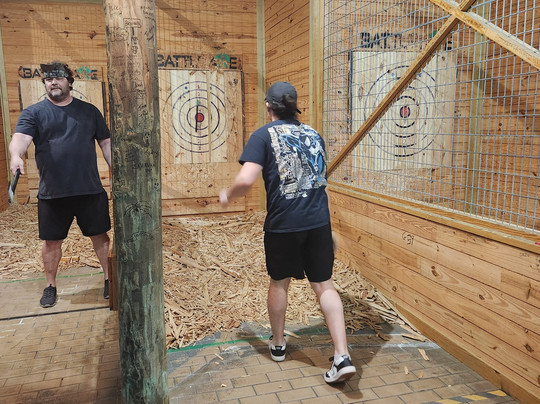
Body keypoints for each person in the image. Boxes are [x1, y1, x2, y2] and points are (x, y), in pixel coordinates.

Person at [219, 81, 356, 384]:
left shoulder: (262, 135)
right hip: (318, 222)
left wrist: (228, 194)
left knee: (279, 282)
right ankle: (342, 356)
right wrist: (327, 229)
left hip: (284, 225)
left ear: (268, 106)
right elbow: (319, 181)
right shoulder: (313, 134)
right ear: (295, 107)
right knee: (325, 285)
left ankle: (279, 344)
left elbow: (246, 180)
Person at [9, 61, 112, 308]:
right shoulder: (34, 113)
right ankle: (50, 286)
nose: (53, 82)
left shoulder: (89, 111)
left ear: (69, 81)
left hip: (89, 189)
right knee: (51, 242)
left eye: (58, 78)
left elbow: (106, 142)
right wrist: (15, 155)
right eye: (48, 79)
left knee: (100, 236)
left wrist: (116, 169)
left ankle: (110, 279)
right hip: (53, 193)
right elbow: (21, 138)